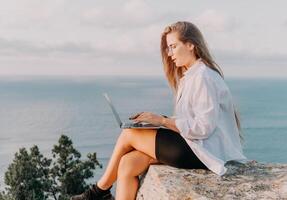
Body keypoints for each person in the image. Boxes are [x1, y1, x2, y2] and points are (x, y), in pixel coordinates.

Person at [70, 21, 247, 200]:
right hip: (194, 146)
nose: (169, 54)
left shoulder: (203, 77)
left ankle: (97, 193)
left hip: (203, 152)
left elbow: (203, 128)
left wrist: (162, 121)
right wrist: (159, 120)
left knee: (128, 134)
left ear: (191, 45)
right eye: (168, 48)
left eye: (173, 46)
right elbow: (191, 119)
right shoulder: (192, 76)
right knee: (128, 163)